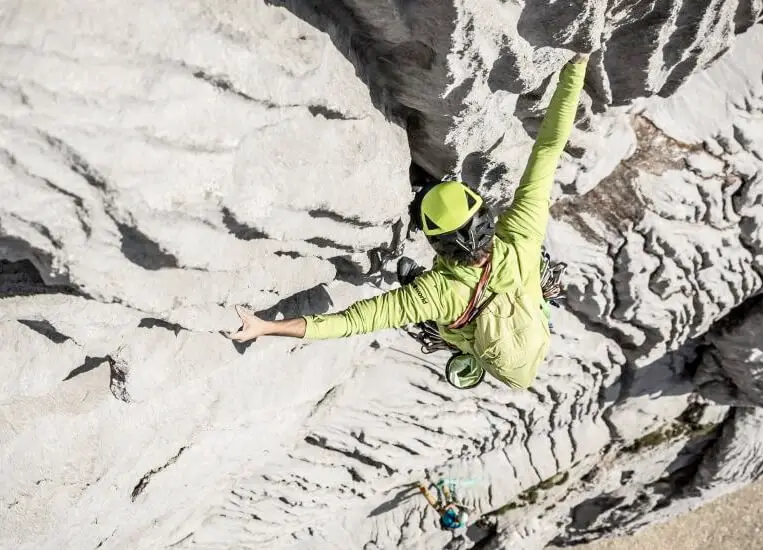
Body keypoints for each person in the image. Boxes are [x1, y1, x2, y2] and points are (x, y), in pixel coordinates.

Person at [229, 52, 589, 389]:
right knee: (436, 298)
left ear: (435, 242)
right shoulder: (521, 239)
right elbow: (549, 148)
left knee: (439, 318)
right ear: (486, 217)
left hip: (465, 322)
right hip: (522, 326)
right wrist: (578, 66)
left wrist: (266, 326)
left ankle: (435, 296)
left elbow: (354, 321)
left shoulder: (437, 294)